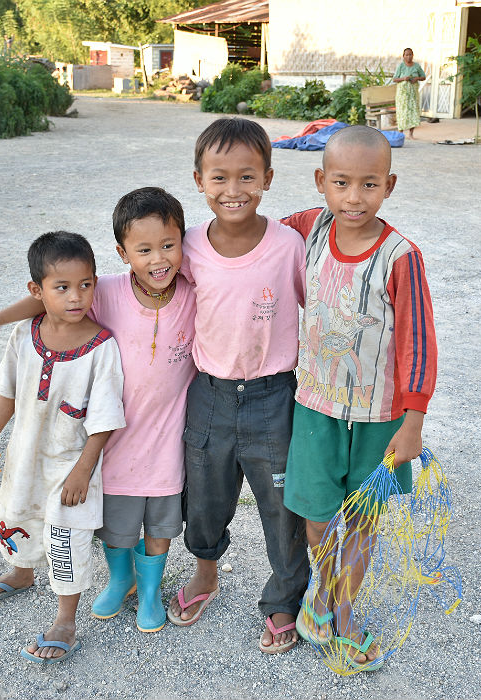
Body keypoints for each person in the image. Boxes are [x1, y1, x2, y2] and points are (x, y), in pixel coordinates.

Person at [0, 188, 197, 634]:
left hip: (165, 435)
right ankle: (121, 580)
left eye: (168, 245)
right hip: (113, 445)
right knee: (115, 521)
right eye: (144, 249)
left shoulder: (192, 290)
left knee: (160, 519)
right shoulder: (105, 291)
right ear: (123, 253)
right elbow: (50, 297)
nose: (158, 259)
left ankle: (149, 591)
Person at [280, 125, 437, 670]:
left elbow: (417, 340)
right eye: (341, 183)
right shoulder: (307, 229)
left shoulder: (400, 257)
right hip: (316, 407)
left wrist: (412, 420)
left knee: (364, 518)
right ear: (321, 181)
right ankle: (320, 595)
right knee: (318, 515)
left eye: (368, 185)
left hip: (379, 417)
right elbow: (251, 242)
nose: (354, 198)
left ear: (388, 185)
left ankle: (346, 611)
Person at [166, 117, 309, 654]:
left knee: (281, 506)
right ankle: (206, 571)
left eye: (247, 177)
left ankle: (283, 598)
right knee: (202, 497)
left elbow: (314, 306)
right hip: (210, 394)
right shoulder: (186, 248)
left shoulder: (287, 245)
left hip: (275, 396)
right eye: (219, 177)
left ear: (268, 178)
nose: (233, 190)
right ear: (199, 180)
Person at [0, 231, 126, 663]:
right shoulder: (26, 332)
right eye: (62, 287)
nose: (77, 297)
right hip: (25, 456)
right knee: (16, 511)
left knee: (65, 537)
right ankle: (20, 573)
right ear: (37, 291)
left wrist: (84, 470)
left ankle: (66, 618)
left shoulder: (102, 347)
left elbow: (106, 418)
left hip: (72, 467)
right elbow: (7, 392)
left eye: (86, 284)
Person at [393, 48, 426, 138]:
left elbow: (423, 77)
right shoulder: (401, 66)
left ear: (413, 55)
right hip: (402, 94)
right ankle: (401, 133)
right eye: (406, 55)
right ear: (403, 56)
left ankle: (411, 134)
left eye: (410, 54)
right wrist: (403, 78)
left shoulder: (416, 66)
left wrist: (416, 78)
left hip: (413, 94)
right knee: (402, 112)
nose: (408, 57)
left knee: (412, 111)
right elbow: (395, 79)